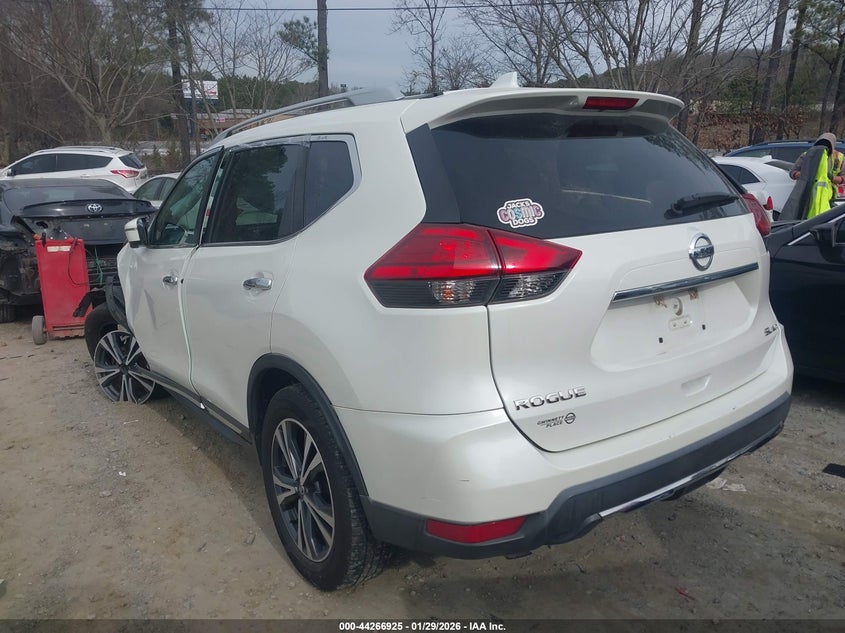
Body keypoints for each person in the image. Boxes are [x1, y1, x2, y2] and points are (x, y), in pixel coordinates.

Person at [789, 133, 844, 218]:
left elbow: (843, 178)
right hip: (806, 196)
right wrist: (804, 174)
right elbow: (792, 172)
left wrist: (832, 178)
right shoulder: (807, 155)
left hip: (830, 198)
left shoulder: (839, 158)